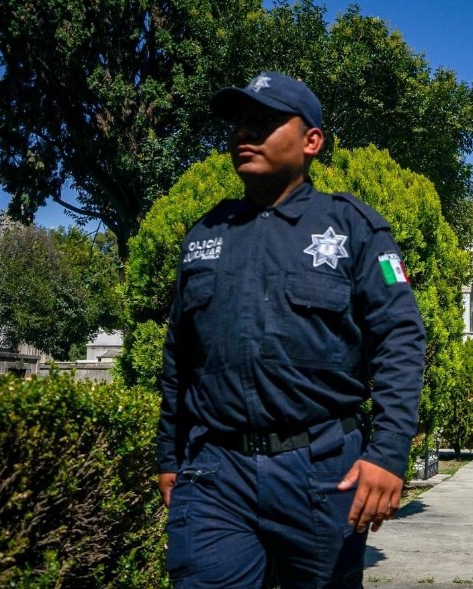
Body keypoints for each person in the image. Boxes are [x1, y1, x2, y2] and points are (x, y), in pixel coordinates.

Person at [156, 71, 426, 589]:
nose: (244, 133)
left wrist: (389, 454)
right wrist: (170, 455)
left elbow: (400, 340)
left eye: (264, 121)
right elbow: (179, 358)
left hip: (322, 471)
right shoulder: (206, 234)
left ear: (311, 141)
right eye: (238, 122)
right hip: (215, 473)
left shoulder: (353, 229)